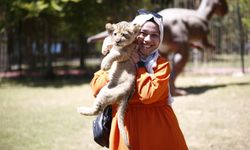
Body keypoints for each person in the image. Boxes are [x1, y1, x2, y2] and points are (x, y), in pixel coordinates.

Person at [89, 9, 188, 150]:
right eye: (143, 33)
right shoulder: (116, 58)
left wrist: (139, 66)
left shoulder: (161, 64)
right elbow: (96, 89)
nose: (148, 39)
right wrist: (116, 64)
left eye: (155, 35)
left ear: (160, 39)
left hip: (157, 130)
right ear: (134, 33)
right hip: (125, 128)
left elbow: (148, 95)